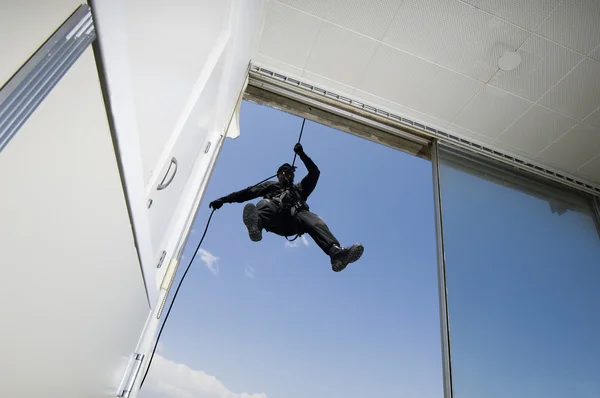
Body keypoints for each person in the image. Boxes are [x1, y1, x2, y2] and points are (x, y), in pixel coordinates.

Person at [209, 143, 364, 272]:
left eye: (288, 172)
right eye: (282, 173)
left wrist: (302, 154)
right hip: (274, 219)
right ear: (278, 175)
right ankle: (256, 225)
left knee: (314, 220)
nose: (285, 175)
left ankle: (336, 254)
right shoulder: (271, 186)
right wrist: (223, 200)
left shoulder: (300, 189)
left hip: (293, 223)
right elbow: (247, 192)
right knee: (267, 203)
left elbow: (315, 172)